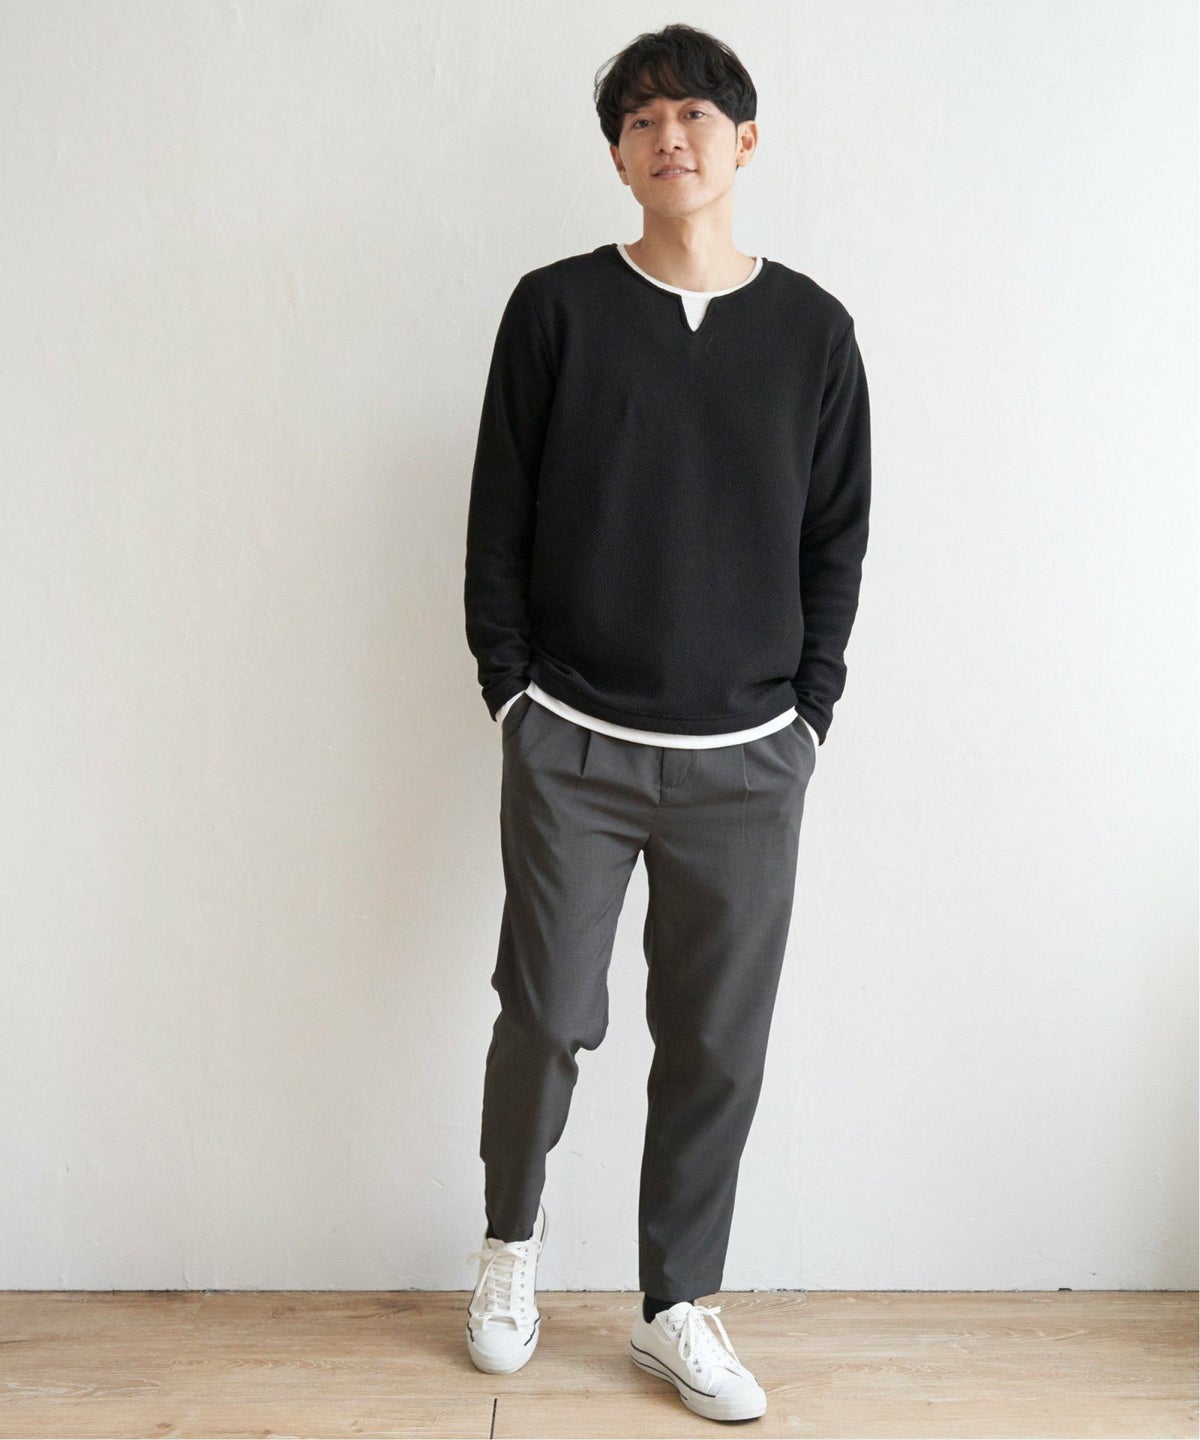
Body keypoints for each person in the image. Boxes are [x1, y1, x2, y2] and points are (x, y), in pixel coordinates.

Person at [461, 21, 871, 1423]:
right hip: (571, 739)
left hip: (748, 759)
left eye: (693, 114)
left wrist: (808, 715)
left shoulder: (813, 333)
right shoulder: (557, 311)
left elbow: (835, 538)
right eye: (640, 121)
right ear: (619, 157)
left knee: (715, 1046)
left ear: (744, 141)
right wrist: (512, 692)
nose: (668, 137)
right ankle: (509, 1249)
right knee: (546, 1013)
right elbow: (498, 520)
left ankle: (675, 1304)